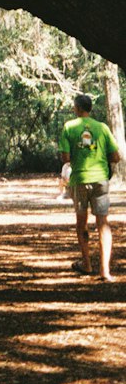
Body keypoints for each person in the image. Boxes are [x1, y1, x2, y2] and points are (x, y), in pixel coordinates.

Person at [59, 92, 120, 281]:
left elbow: (66, 158)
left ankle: (86, 263)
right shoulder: (102, 128)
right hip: (100, 179)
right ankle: (105, 270)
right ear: (90, 108)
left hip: (80, 180)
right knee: (103, 222)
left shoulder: (69, 127)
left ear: (76, 108)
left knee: (81, 222)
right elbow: (115, 156)